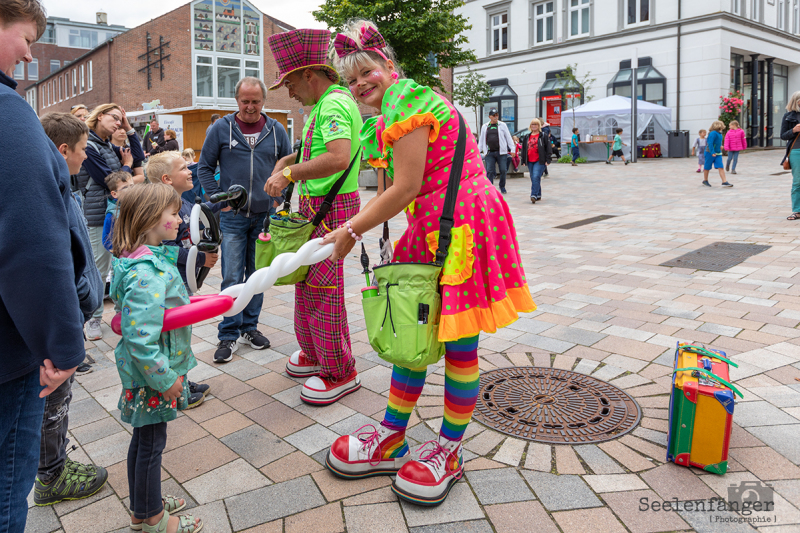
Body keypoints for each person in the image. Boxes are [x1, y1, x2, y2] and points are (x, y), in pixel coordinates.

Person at [323, 19, 536, 507]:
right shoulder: (398, 106)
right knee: (411, 336)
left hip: (460, 227)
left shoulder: (406, 100)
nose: (359, 85)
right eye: (351, 79)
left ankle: (448, 450)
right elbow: (402, 187)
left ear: (388, 65)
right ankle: (394, 435)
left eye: (366, 72)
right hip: (440, 225)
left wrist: (349, 229)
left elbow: (405, 187)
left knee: (458, 345)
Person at [0, 2, 100, 527]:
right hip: (10, 350)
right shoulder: (8, 113)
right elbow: (33, 245)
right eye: (25, 38)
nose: (29, 53)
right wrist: (64, 345)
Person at [264, 28, 363, 405]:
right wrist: (291, 159)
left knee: (322, 290)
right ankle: (315, 353)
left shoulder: (334, 104)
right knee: (306, 283)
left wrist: (289, 174)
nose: (288, 91)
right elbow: (320, 149)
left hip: (329, 208)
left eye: (289, 82)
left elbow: (337, 158)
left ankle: (340, 371)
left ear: (309, 74)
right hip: (317, 206)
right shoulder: (323, 105)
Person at [109, 183, 203, 533]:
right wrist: (167, 380)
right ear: (150, 219)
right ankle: (152, 519)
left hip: (147, 373)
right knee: (151, 444)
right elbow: (141, 338)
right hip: (152, 375)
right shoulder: (145, 274)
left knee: (144, 440)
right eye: (174, 214)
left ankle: (142, 505)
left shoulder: (144, 260)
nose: (180, 220)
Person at [33, 112, 106, 508]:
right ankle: (51, 474)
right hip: (63, 316)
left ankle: (51, 465)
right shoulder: (52, 192)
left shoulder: (65, 186)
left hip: (72, 311)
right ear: (63, 151)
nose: (84, 157)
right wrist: (80, 294)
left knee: (60, 396)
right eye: (81, 150)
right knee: (54, 399)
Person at [198, 77, 292, 363]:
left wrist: (279, 197)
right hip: (233, 217)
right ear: (236, 100)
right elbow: (204, 168)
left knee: (258, 276)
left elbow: (288, 166)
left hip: (265, 217)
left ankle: (250, 327)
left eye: (255, 101)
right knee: (231, 276)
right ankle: (228, 334)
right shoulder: (221, 128)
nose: (250, 107)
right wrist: (221, 201)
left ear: (264, 101)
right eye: (244, 101)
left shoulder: (276, 130)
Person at [77, 103, 145, 346]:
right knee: (99, 267)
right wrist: (126, 167)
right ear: (100, 115)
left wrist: (130, 129)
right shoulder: (89, 144)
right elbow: (107, 179)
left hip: (119, 214)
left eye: (121, 120)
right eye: (115, 118)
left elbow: (138, 158)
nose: (118, 123)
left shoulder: (107, 145)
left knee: (120, 265)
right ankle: (93, 318)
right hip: (97, 215)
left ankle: (120, 311)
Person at [478, 108, 514, 194]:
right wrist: (478, 152)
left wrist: (512, 149)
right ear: (489, 116)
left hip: (501, 152)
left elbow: (508, 137)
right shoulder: (485, 126)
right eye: (493, 115)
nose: (495, 117)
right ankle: (490, 188)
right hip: (489, 153)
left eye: (497, 115)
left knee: (503, 170)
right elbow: (481, 140)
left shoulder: (502, 125)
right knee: (489, 170)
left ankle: (502, 186)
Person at [520, 118, 552, 204]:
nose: (534, 126)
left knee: (535, 177)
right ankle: (538, 195)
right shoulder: (527, 136)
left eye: (536, 124)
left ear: (539, 126)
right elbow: (524, 149)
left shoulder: (543, 135)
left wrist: (548, 159)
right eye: (532, 124)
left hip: (540, 160)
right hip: (530, 160)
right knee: (534, 178)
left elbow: (548, 148)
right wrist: (523, 160)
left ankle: (533, 195)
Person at [102, 171, 134, 251]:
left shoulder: (138, 206)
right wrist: (122, 253)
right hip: (125, 257)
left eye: (132, 186)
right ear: (114, 194)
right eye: (125, 187)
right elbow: (106, 240)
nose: (130, 189)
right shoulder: (112, 214)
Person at [780, 90, 800, 220]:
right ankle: (797, 210)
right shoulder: (788, 116)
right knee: (798, 181)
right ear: (797, 101)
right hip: (796, 152)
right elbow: (783, 136)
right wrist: (794, 130)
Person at [703, 121, 732, 187]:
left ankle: (724, 181)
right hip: (709, 153)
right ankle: (705, 180)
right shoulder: (713, 133)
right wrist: (712, 152)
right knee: (707, 167)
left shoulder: (719, 133)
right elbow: (710, 143)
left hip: (718, 153)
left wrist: (721, 146)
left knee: (720, 167)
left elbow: (718, 142)